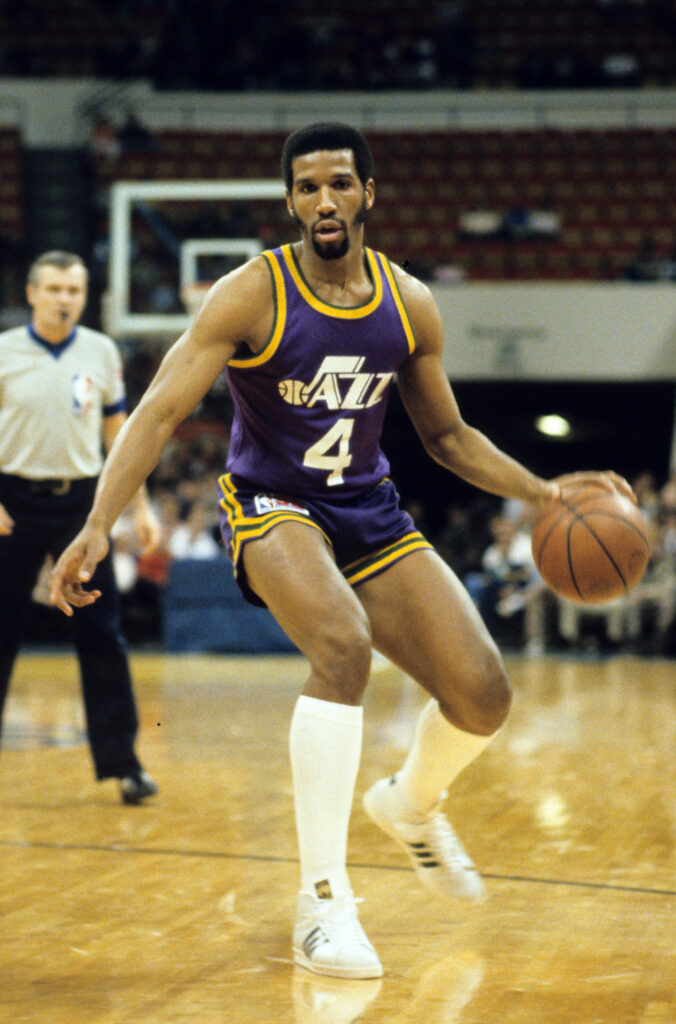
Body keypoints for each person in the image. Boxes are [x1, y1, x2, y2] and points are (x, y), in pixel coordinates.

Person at [50, 124, 634, 977]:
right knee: (340, 643)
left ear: (368, 193)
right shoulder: (251, 292)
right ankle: (320, 903)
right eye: (307, 187)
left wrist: (546, 494)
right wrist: (101, 519)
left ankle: (409, 803)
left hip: (367, 510)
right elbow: (159, 411)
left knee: (482, 696)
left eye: (339, 184)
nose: (324, 199)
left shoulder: (408, 303)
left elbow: (447, 436)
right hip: (270, 505)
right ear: (290, 201)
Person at [0, 250, 160, 805]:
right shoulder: (4, 352)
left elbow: (120, 439)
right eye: (54, 289)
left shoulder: (101, 350)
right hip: (11, 503)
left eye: (74, 290)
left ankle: (125, 766)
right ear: (32, 294)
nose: (65, 298)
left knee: (101, 636)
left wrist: (137, 507)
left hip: (79, 508)